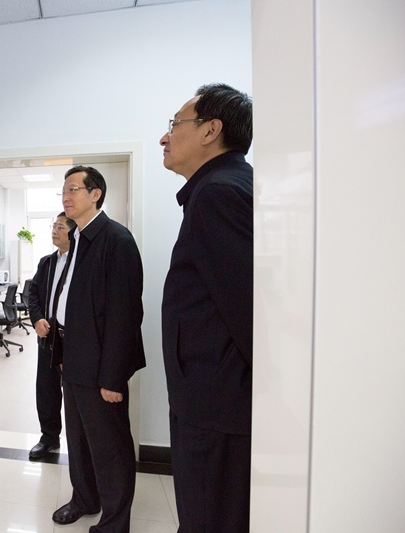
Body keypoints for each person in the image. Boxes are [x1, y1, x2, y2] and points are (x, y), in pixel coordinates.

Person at [160, 83, 254, 532]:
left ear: (210, 130)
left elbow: (249, 312)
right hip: (216, 400)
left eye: (175, 124)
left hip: (215, 408)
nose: (165, 137)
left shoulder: (218, 194)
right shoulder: (224, 187)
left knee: (207, 519)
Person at [51, 166, 145, 532]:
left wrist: (112, 378)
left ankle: (115, 522)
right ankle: (85, 499)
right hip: (73, 356)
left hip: (101, 365)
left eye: (73, 189)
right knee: (78, 439)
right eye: (63, 190)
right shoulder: (77, 241)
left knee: (110, 447)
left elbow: (125, 316)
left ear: (96, 194)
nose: (66, 196)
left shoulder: (116, 240)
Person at [26, 211, 76, 459]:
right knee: (46, 390)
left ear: (73, 233)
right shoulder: (46, 263)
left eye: (60, 227)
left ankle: (79, 444)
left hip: (71, 339)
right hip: (47, 335)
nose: (54, 231)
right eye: (53, 226)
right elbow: (32, 294)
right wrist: (36, 319)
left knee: (74, 393)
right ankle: (49, 438)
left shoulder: (80, 261)